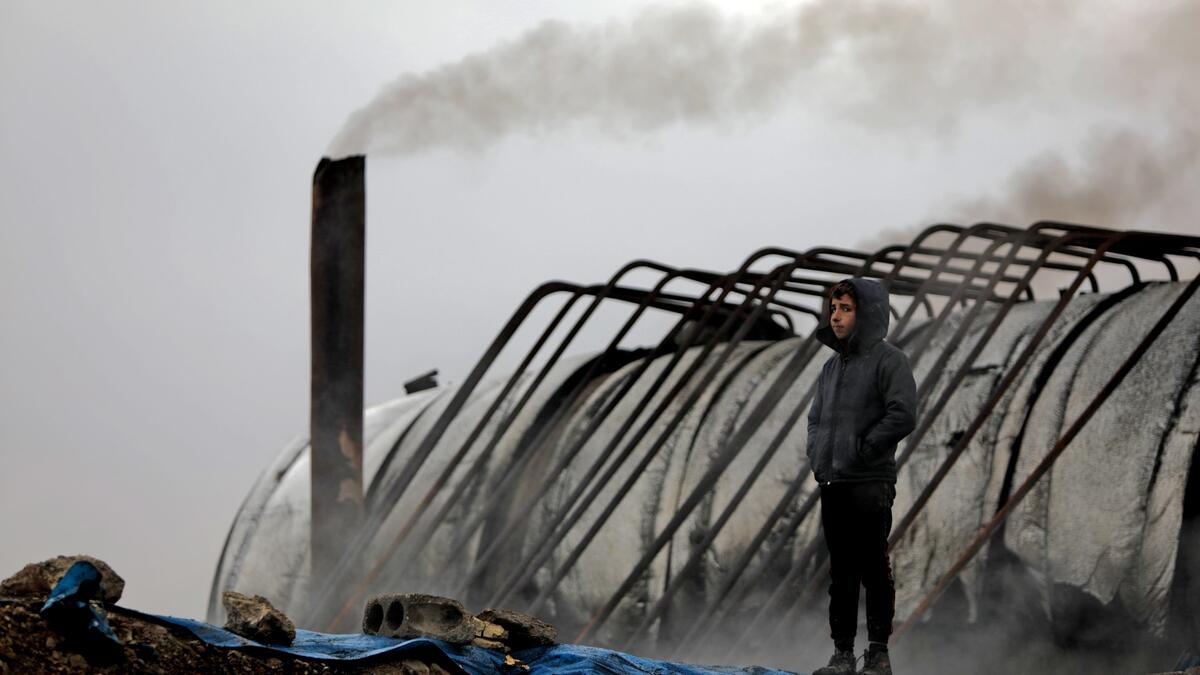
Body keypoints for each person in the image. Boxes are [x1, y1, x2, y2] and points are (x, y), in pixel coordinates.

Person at [807, 278, 917, 675]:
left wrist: (866, 448)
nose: (835, 316)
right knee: (842, 572)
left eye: (845, 309)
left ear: (866, 315)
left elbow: (902, 413)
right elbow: (816, 419)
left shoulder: (889, 360)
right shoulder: (831, 367)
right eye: (833, 308)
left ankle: (877, 655)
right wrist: (818, 457)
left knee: (873, 568)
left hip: (870, 482)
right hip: (834, 481)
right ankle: (841, 656)